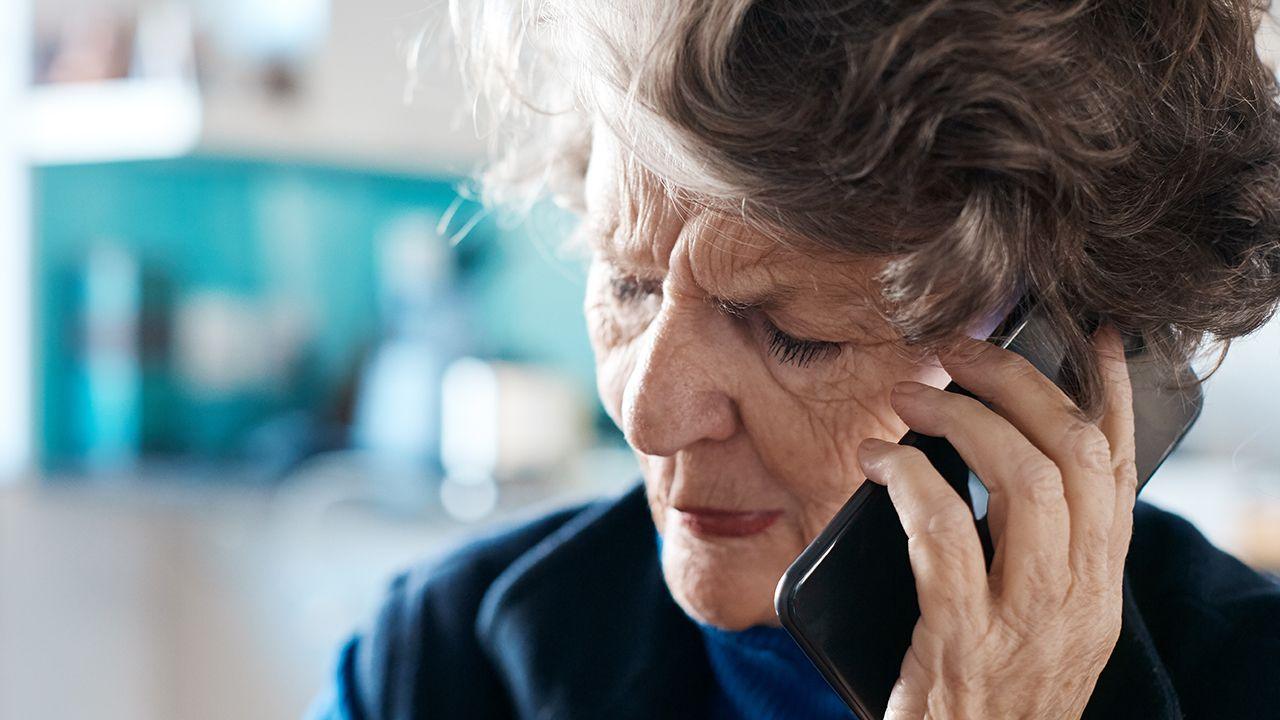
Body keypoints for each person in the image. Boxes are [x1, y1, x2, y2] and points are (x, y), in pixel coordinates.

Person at [310, 1, 1280, 717]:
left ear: (1053, 356)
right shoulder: (435, 668)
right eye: (628, 285)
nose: (647, 412)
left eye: (793, 334)